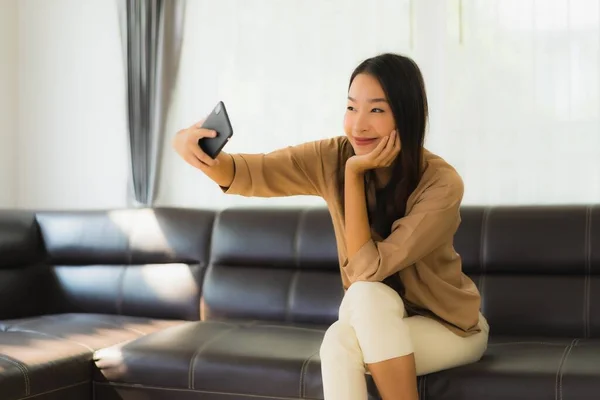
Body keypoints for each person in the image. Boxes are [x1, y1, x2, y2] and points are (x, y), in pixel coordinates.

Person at [172, 53, 489, 400]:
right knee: (339, 341)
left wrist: (353, 174)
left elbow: (367, 271)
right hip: (377, 317)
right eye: (351, 108)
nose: (358, 125)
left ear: (407, 116)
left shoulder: (441, 184)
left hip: (450, 329)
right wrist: (194, 152)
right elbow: (252, 173)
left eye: (377, 110)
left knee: (361, 297)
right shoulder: (332, 156)